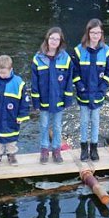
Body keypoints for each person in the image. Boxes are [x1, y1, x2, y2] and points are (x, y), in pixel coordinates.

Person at [72, 19, 109, 162]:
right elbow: (74, 72)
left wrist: (102, 88)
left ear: (101, 33)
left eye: (98, 32)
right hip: (83, 93)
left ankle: (94, 148)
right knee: (84, 121)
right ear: (88, 33)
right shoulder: (79, 50)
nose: (95, 35)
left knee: (95, 121)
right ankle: (84, 148)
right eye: (93, 32)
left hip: (98, 94)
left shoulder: (107, 51)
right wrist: (80, 87)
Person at [31, 27, 74, 164]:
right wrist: (35, 101)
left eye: (57, 39)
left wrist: (67, 99)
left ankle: (56, 149)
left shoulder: (66, 58)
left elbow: (69, 80)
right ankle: (44, 149)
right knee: (44, 125)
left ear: (60, 41)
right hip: (44, 99)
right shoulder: (38, 58)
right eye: (52, 38)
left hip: (59, 99)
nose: (54, 41)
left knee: (57, 126)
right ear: (47, 39)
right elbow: (34, 82)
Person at [0, 54, 30, 166]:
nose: (2, 75)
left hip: (11, 116)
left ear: (11, 69)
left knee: (11, 135)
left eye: (4, 73)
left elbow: (24, 101)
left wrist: (21, 116)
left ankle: (11, 154)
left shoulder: (18, 83)